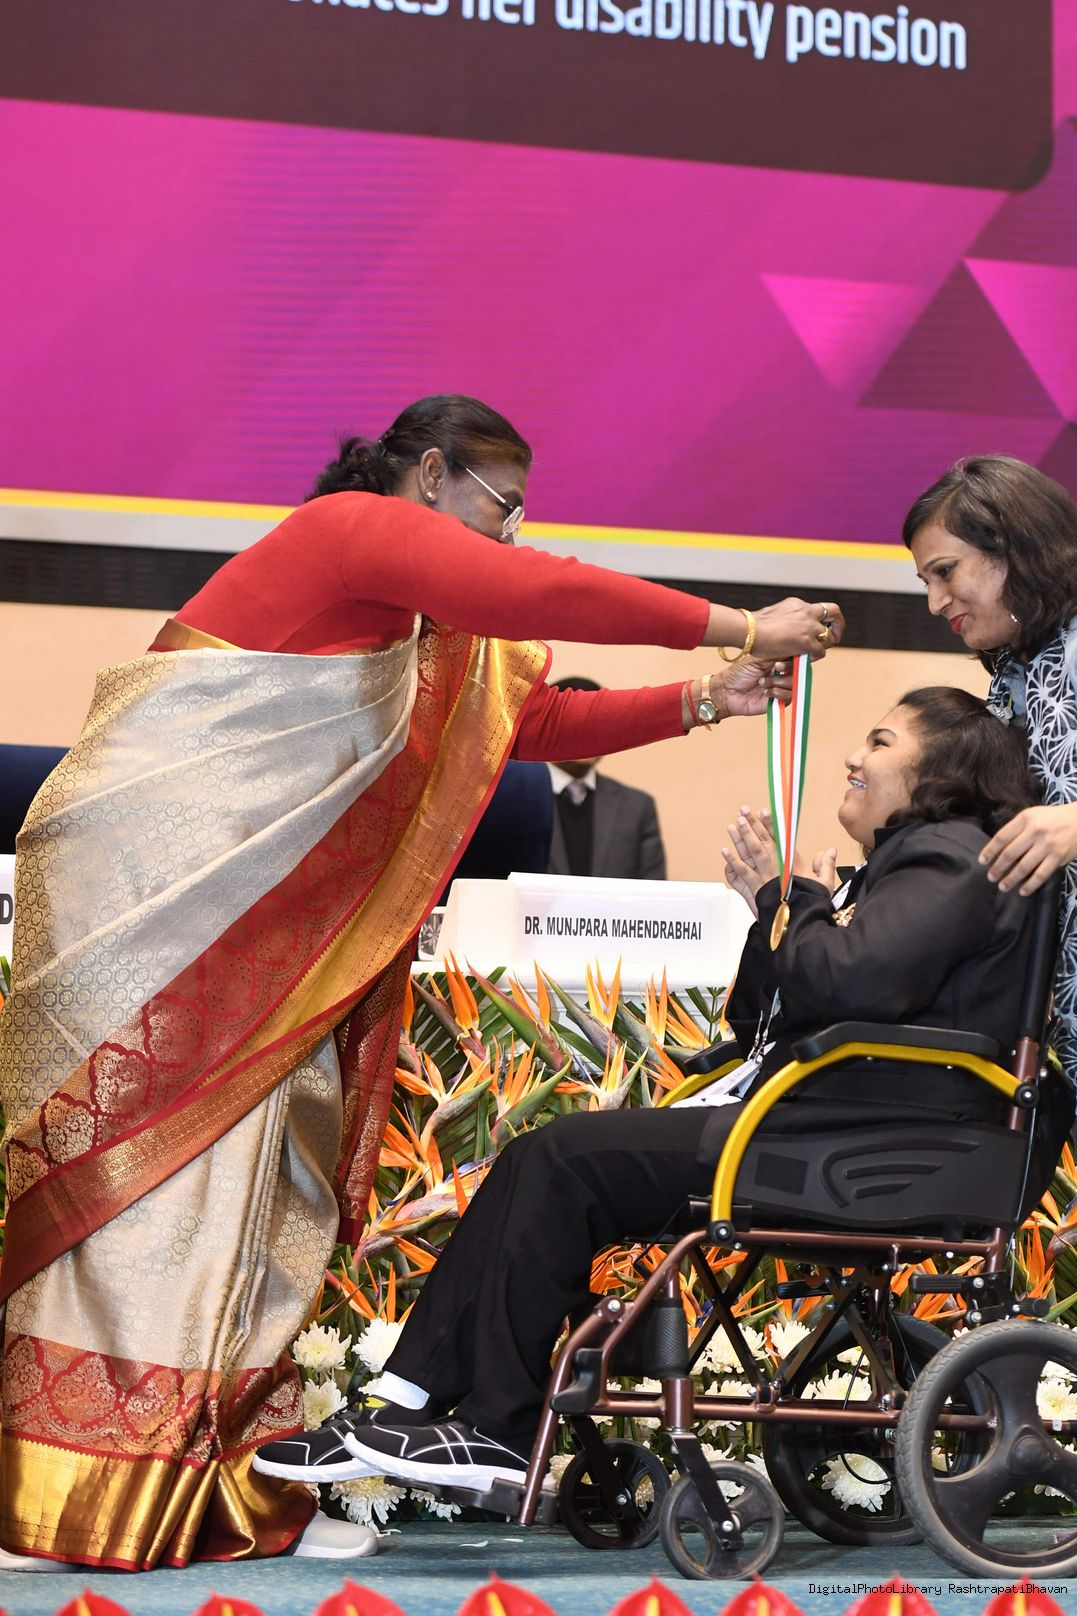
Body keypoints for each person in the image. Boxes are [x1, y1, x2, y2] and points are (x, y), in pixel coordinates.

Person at [0, 394, 843, 1572]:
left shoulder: (426, 627)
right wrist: (740, 624)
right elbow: (541, 593)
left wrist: (706, 699)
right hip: (161, 905)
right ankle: (70, 1491)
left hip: (273, 931)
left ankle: (215, 1477)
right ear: (433, 474)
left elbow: (526, 722)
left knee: (255, 1193)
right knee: (158, 1190)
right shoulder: (352, 529)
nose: (507, 535)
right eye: (500, 507)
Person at [254, 685, 1073, 1498]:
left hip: (865, 1143)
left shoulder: (950, 855)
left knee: (557, 1160)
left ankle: (491, 1427)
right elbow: (760, 1018)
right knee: (547, 1160)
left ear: (942, 770)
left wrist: (788, 898)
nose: (855, 757)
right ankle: (401, 1405)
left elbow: (847, 984)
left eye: (881, 741)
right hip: (831, 1127)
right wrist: (781, 908)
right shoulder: (898, 870)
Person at [904, 456, 1077, 1090]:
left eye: (945, 571)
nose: (934, 602)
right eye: (926, 580)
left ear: (1013, 547)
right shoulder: (1015, 669)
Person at [546, 676, 667, 880]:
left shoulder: (637, 808)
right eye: (574, 722)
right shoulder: (512, 802)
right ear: (545, 728)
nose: (586, 733)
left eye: (597, 722)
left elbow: (654, 892)